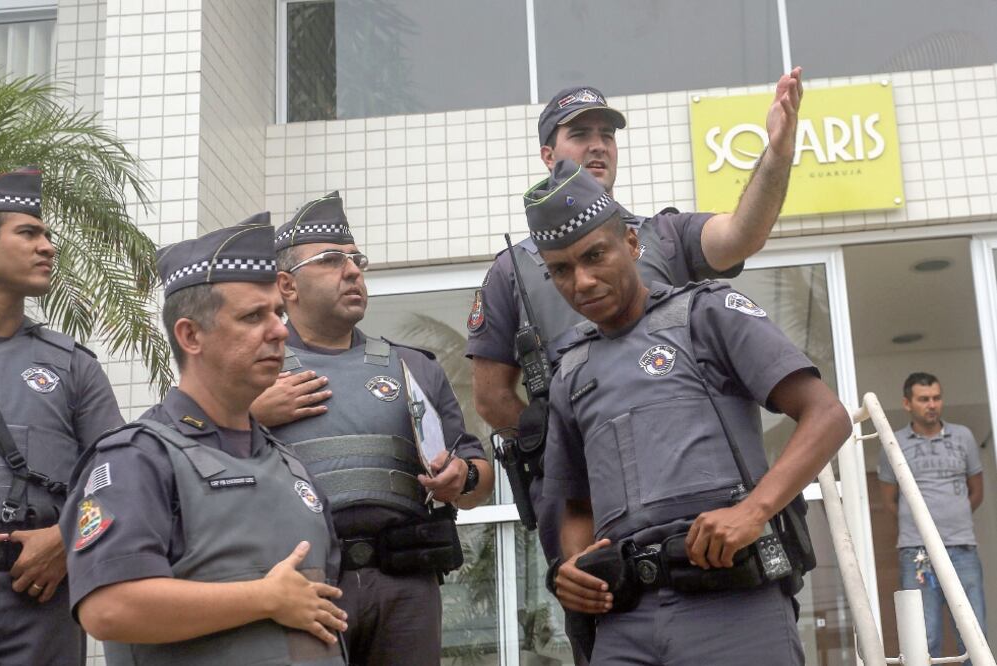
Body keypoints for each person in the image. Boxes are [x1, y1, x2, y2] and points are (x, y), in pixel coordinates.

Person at [467, 71, 804, 661]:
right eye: (579, 134)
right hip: (590, 510)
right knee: (602, 628)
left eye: (607, 134)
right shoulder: (512, 270)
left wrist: (776, 153)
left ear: (628, 246)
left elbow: (743, 232)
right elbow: (492, 396)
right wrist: (568, 443)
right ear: (548, 153)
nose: (597, 144)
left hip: (696, 501)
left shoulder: (663, 235)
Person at [529, 160, 851, 665]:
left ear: (631, 245)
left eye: (595, 256)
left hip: (733, 607)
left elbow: (827, 415)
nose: (583, 281)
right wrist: (574, 564)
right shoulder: (571, 369)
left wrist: (753, 511)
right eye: (562, 270)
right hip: (624, 622)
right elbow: (574, 504)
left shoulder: (708, 314)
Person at [61, 214, 348, 665]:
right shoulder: (137, 459)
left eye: (277, 312)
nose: (279, 330)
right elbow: (108, 608)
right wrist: (264, 598)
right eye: (253, 316)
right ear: (191, 335)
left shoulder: (290, 465)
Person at [251, 192, 495, 666]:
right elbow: (190, 451)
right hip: (303, 587)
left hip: (405, 586)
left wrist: (460, 477)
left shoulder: (413, 368)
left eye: (356, 259)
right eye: (331, 260)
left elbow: (478, 478)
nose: (353, 271)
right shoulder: (252, 373)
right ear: (287, 285)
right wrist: (251, 414)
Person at [0, 167, 123, 665]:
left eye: (47, 234)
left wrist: (66, 537)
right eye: (28, 233)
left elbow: (117, 477)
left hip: (40, 598)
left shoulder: (72, 364)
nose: (48, 246)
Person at [878, 372, 986, 661]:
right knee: (924, 637)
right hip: (917, 552)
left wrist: (952, 518)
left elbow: (976, 492)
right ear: (907, 403)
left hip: (962, 548)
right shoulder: (894, 441)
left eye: (936, 398)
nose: (932, 404)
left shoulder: (963, 436)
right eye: (924, 399)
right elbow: (890, 499)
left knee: (974, 635)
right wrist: (921, 527)